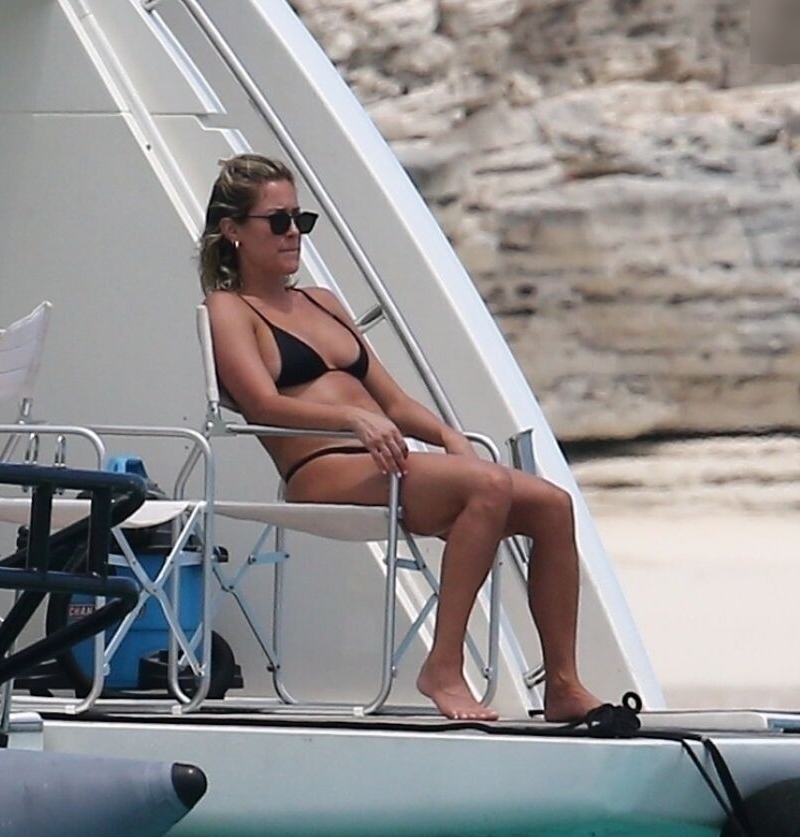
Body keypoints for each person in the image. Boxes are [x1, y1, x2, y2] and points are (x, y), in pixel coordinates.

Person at [199, 153, 604, 722]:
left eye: (300, 220)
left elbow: (392, 402)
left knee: (551, 504)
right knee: (488, 486)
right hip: (322, 470)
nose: (294, 233)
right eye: (278, 221)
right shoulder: (229, 309)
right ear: (233, 230)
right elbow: (263, 404)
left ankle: (562, 684)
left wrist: (445, 435)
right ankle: (443, 667)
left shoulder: (321, 302)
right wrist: (353, 420)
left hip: (384, 461)